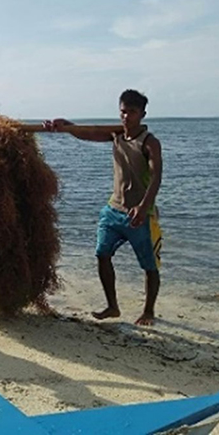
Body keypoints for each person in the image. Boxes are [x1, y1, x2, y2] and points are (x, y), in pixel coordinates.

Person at [44, 89, 163, 326]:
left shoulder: (150, 143)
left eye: (132, 112)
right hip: (113, 210)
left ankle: (148, 311)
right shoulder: (115, 135)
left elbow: (157, 176)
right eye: (123, 112)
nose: (126, 117)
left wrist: (142, 206)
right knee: (102, 254)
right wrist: (66, 125)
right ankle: (112, 306)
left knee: (149, 266)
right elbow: (88, 134)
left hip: (141, 215)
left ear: (142, 114)